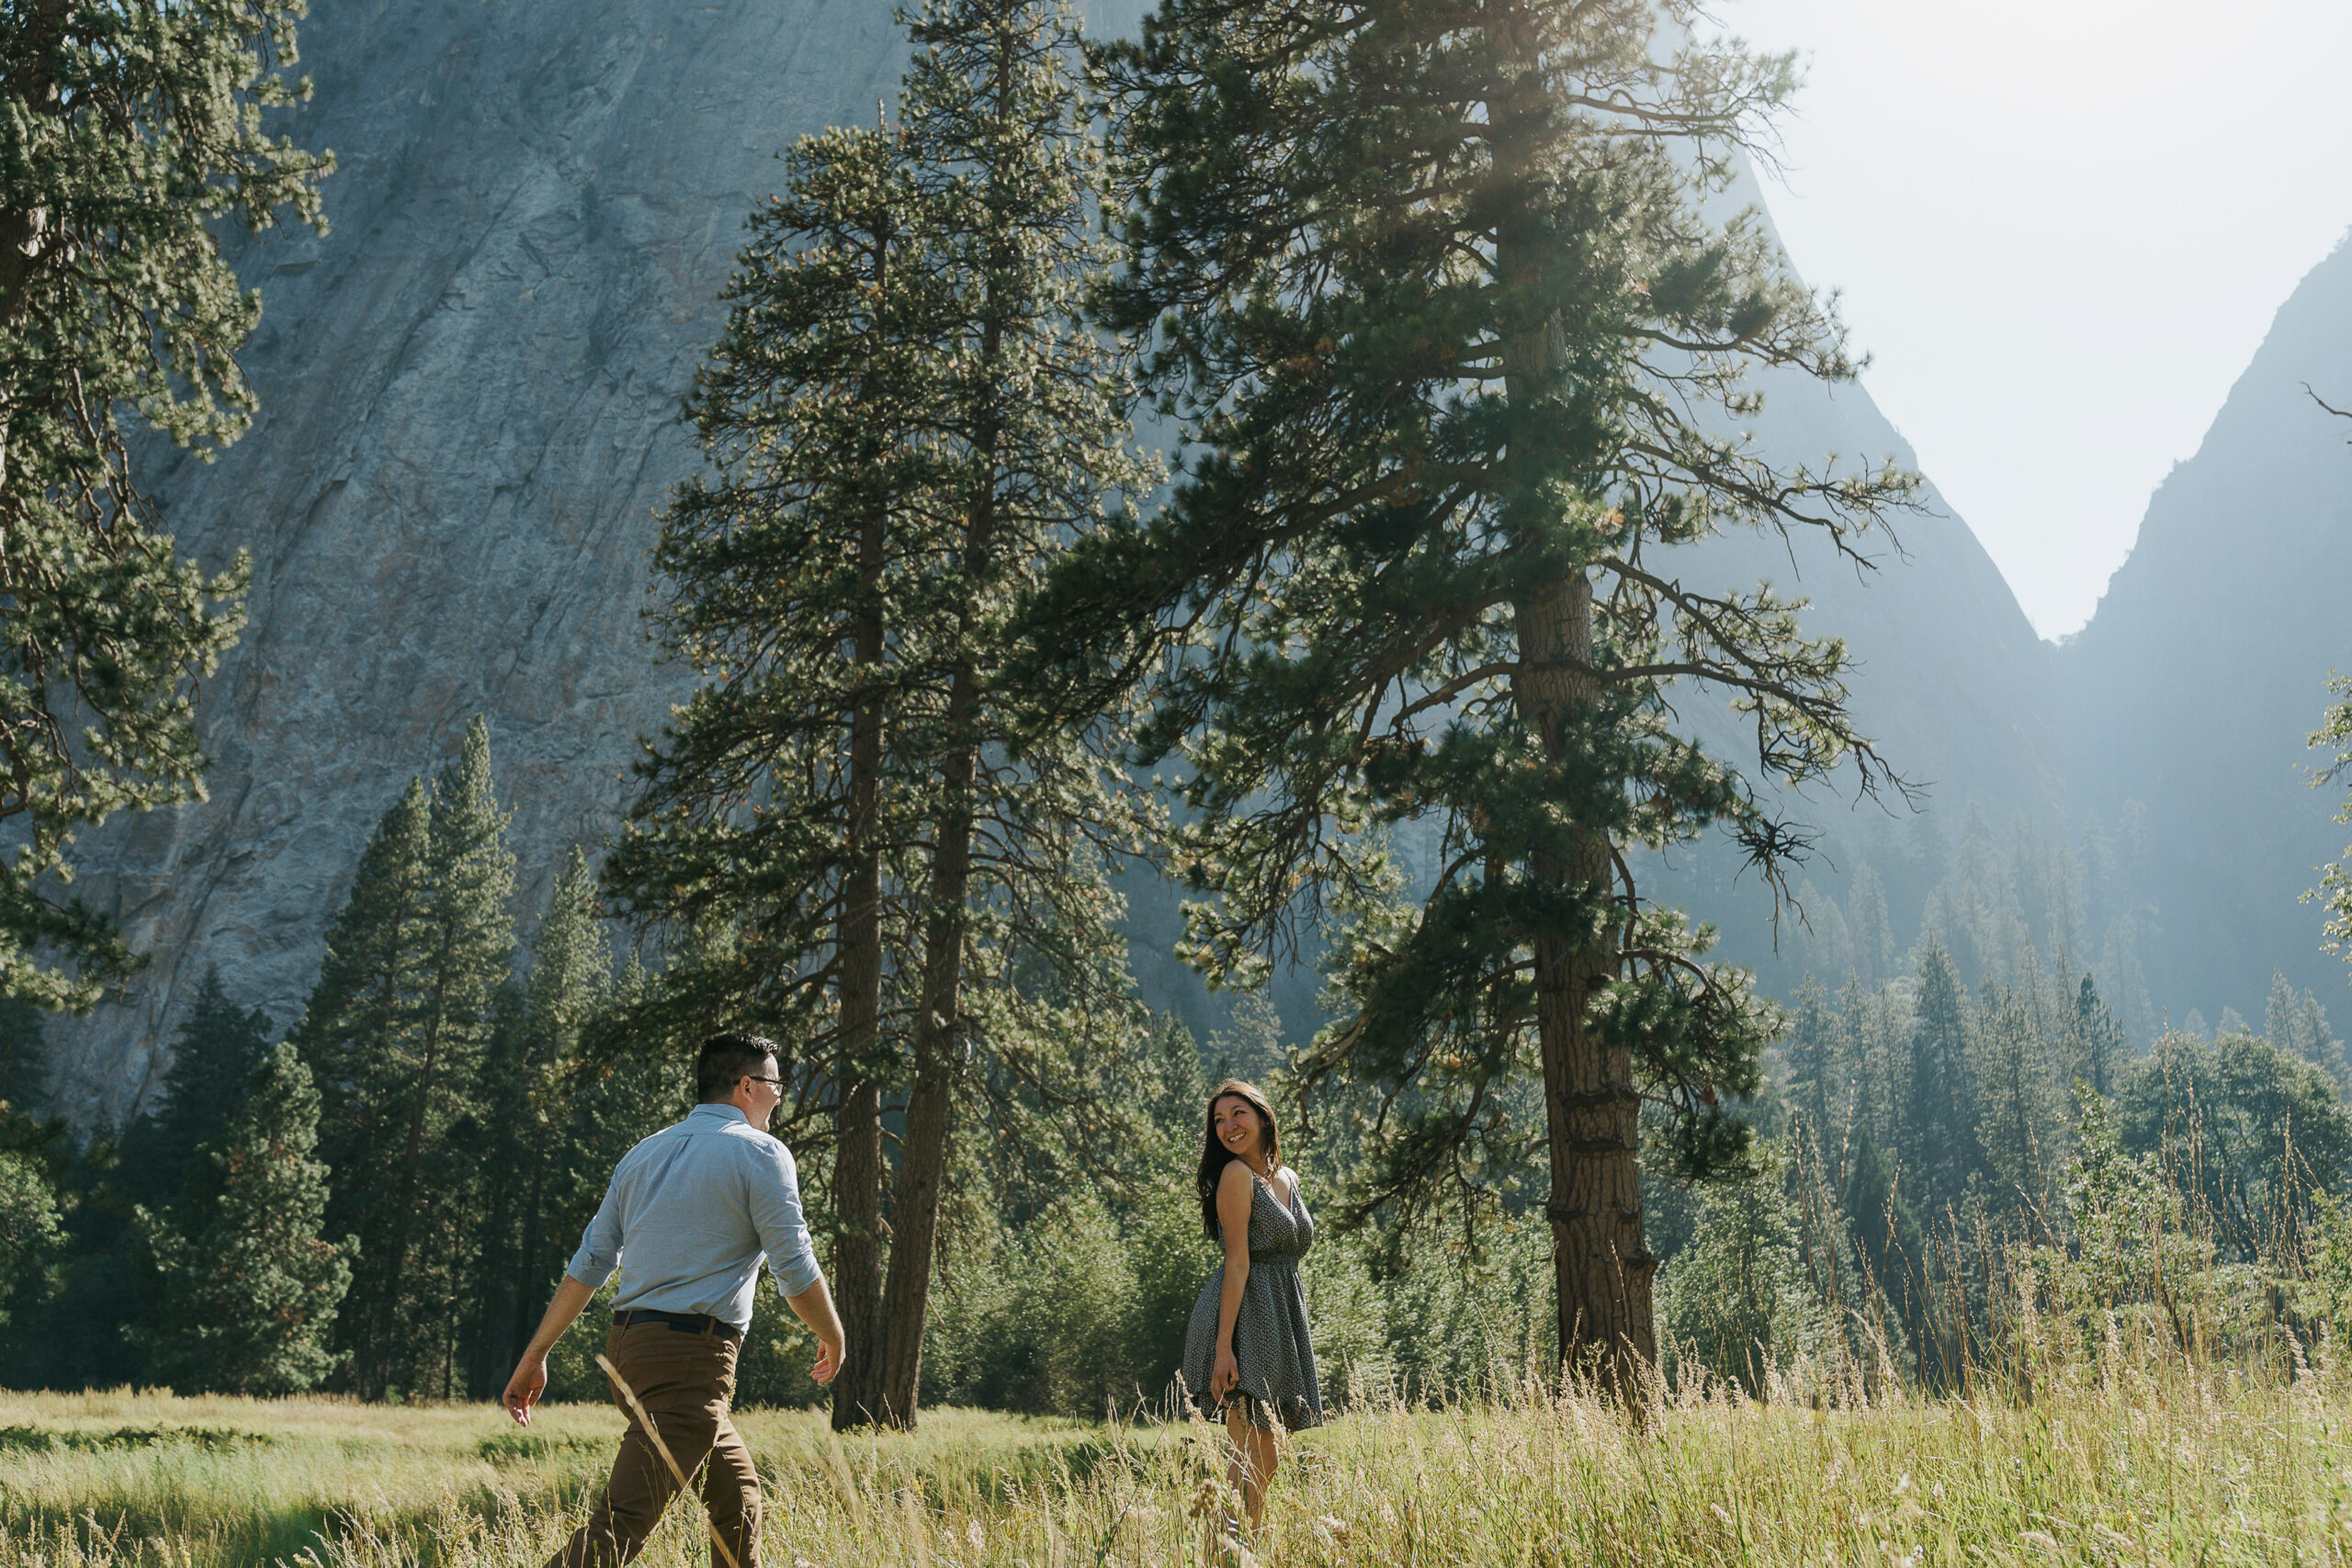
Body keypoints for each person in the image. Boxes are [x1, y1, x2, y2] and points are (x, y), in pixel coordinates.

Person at [501, 1032, 845, 1568]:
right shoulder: (762, 1154)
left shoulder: (644, 1154)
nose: (780, 1096)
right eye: (776, 1085)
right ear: (746, 1086)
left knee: (738, 1499)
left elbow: (589, 1265)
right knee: (619, 1528)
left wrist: (535, 1355)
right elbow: (794, 1268)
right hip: (691, 1361)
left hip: (631, 1351)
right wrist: (833, 1333)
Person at [1181, 1077, 1322, 1537]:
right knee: (1250, 1459)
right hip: (1244, 1318)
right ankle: (1227, 1554)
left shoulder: (1287, 1177)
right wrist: (1225, 1350)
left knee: (1267, 1459)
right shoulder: (1236, 1176)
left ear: (1262, 1116)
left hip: (1280, 1316)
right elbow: (1237, 1263)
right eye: (1219, 1120)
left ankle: (1242, 1552)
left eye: (1237, 1113)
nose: (1228, 1126)